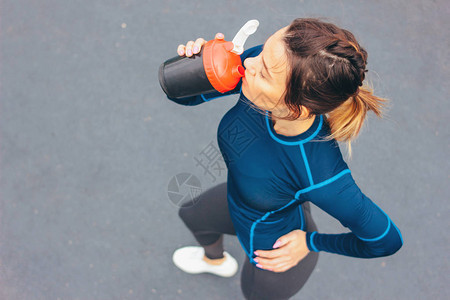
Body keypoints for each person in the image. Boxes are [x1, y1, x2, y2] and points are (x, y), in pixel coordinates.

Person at [166, 18, 403, 300]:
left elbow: (386, 241)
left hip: (272, 249)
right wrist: (200, 69)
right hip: (243, 201)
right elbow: (184, 97)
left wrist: (311, 242)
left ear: (295, 109)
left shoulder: (321, 173)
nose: (249, 63)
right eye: (264, 50)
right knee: (192, 215)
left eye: (264, 72)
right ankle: (215, 262)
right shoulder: (262, 64)